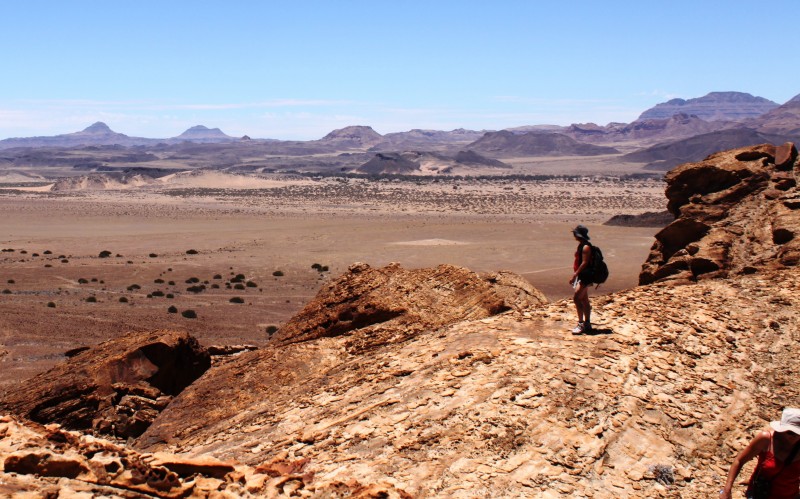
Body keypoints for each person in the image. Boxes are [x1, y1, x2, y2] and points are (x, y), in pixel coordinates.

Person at [721, 408, 800, 499]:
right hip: (760, 494)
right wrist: (727, 489)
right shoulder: (766, 439)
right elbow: (739, 460)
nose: (795, 437)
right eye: (790, 432)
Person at [569, 224, 593, 334]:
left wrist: (575, 274)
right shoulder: (582, 245)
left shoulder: (585, 247)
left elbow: (585, 262)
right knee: (584, 299)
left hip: (585, 276)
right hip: (583, 276)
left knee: (577, 298)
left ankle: (581, 324)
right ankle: (587, 323)